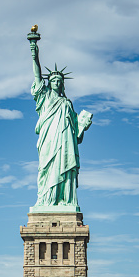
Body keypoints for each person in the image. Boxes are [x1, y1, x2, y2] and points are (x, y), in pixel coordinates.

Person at [29, 39, 92, 210]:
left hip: (65, 141)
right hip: (49, 140)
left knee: (64, 166)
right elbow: (37, 75)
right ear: (49, 83)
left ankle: (65, 200)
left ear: (62, 84)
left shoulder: (67, 103)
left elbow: (75, 131)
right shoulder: (45, 97)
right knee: (46, 169)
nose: (56, 83)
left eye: (59, 81)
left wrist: (83, 126)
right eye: (53, 80)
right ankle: (46, 201)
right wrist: (35, 54)